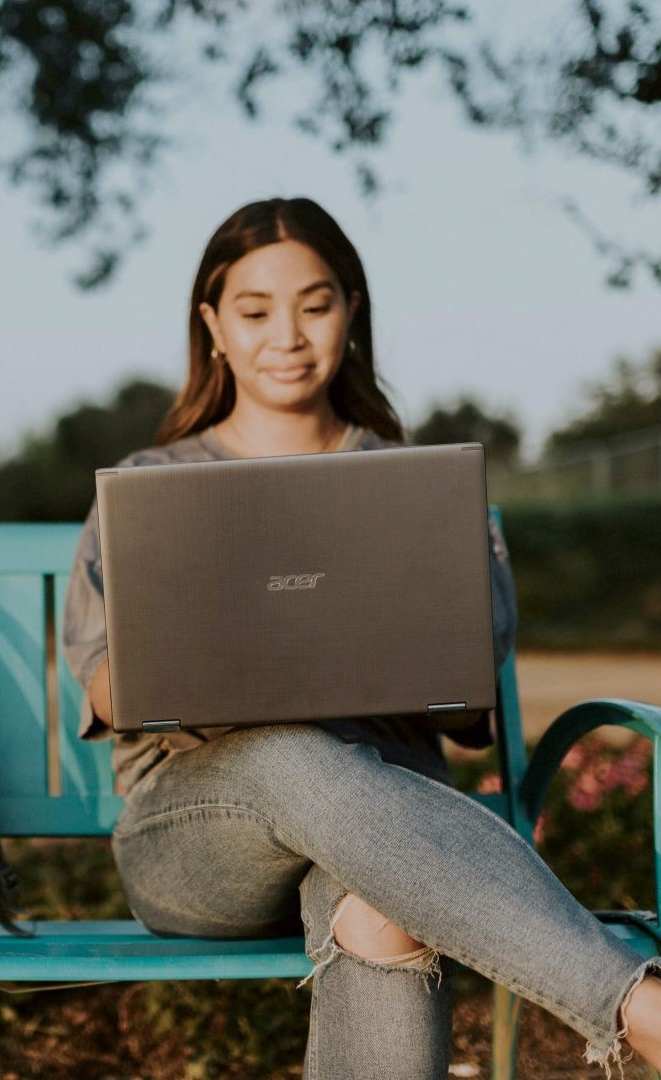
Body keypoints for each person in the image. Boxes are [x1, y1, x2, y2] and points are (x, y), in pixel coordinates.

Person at [60, 196, 661, 1079]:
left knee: (380, 908)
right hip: (196, 838)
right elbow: (107, 692)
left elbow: (468, 715)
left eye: (316, 303)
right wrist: (218, 672)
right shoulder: (154, 488)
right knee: (290, 752)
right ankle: (637, 1004)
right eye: (255, 311)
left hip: (391, 833)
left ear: (352, 311)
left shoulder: (415, 489)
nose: (288, 335)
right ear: (213, 327)